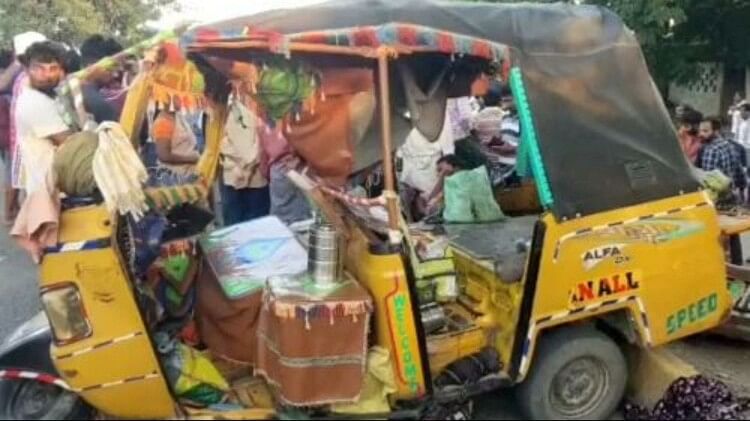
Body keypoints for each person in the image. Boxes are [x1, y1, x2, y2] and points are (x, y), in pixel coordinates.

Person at [13, 41, 72, 195]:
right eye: (38, 68)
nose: (46, 75)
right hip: (50, 190)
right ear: (26, 69)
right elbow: (69, 143)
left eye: (53, 69)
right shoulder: (35, 102)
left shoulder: (45, 96)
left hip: (50, 185)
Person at [219, 100, 270, 225]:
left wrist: (245, 169)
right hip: (235, 179)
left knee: (254, 230)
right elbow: (219, 145)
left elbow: (254, 150)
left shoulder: (244, 110)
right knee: (235, 231)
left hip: (251, 180)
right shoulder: (222, 111)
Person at [697, 117, 743, 206]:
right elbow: (739, 172)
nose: (701, 134)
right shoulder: (729, 145)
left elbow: (708, 182)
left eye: (705, 131)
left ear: (716, 131)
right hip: (731, 196)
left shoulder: (711, 150)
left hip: (717, 201)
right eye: (700, 131)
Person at [79, 35, 124, 124]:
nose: (116, 74)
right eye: (112, 68)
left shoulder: (70, 90)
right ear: (92, 65)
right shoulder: (100, 105)